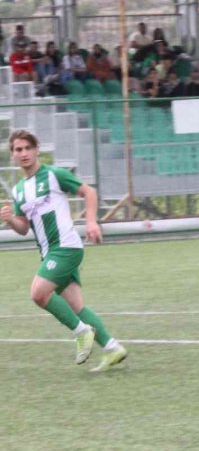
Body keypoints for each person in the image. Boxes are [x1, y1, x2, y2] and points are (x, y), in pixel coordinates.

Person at [1, 130, 128, 372]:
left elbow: (88, 192)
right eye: (18, 149)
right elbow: (22, 228)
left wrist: (91, 221)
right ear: (13, 155)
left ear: (37, 150)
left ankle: (82, 332)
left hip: (66, 247)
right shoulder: (18, 191)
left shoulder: (53, 175)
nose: (24, 153)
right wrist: (9, 219)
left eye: (28, 147)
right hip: (49, 253)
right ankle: (113, 348)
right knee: (76, 307)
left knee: (38, 293)